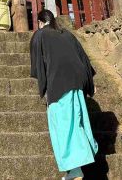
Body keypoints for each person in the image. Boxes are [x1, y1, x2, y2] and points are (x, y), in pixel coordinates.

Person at [30, 10, 98, 180]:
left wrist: (44, 87)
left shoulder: (40, 35)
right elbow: (84, 59)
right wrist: (90, 84)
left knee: (64, 126)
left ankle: (75, 170)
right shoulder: (67, 34)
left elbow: (38, 65)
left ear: (40, 22)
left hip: (58, 85)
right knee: (77, 121)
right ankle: (76, 167)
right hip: (78, 82)